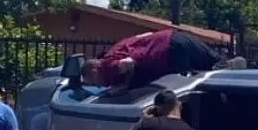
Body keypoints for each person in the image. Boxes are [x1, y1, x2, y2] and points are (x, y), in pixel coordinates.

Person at [81, 29, 246, 95]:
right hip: (175, 37)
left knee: (189, 83)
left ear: (94, 71)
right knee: (214, 63)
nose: (98, 86)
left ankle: (227, 70)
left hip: (168, 54)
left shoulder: (106, 66)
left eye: (94, 82)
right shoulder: (117, 47)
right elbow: (147, 34)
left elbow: (129, 63)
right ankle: (233, 66)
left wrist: (124, 85)